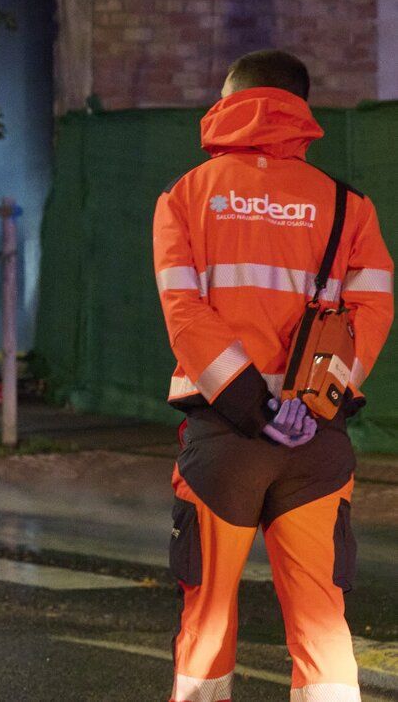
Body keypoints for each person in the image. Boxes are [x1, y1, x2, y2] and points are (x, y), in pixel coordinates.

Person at [155, 50, 394, 702]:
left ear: (228, 101)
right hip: (313, 442)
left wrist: (249, 404)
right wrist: (312, 403)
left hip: (223, 440)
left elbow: (184, 313)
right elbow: (370, 309)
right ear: (300, 107)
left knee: (206, 623)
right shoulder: (348, 207)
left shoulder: (183, 197)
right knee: (320, 624)